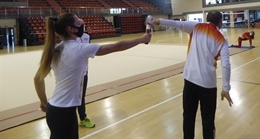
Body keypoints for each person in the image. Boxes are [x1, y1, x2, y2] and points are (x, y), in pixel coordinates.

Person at [34, 13, 151, 139]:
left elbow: (37, 78)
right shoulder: (79, 49)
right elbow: (118, 46)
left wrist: (44, 101)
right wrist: (142, 39)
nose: (82, 23)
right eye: (79, 22)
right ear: (71, 29)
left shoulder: (57, 49)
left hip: (58, 108)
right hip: (63, 112)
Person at [146, 10, 233, 139]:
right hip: (208, 86)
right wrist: (225, 88)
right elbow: (225, 64)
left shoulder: (196, 27)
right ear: (220, 22)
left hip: (190, 81)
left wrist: (156, 22)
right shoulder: (222, 39)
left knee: (188, 117)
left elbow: (176, 24)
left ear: (206, 18)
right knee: (208, 121)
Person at [76, 31, 95, 128]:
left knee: (81, 97)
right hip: (72, 73)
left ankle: (83, 118)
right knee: (70, 97)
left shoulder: (87, 36)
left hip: (84, 72)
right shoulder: (70, 38)